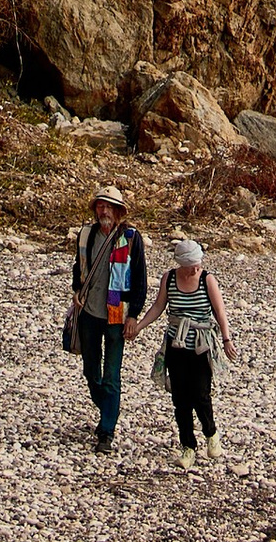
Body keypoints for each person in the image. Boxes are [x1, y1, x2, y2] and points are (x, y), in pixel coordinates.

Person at [135, 226, 233, 470]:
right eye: (192, 265)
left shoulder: (207, 279)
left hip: (200, 346)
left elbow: (220, 312)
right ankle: (187, 446)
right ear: (182, 264)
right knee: (180, 399)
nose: (196, 268)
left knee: (201, 394)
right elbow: (158, 307)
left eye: (198, 263)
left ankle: (211, 434)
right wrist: (139, 326)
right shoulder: (169, 278)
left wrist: (227, 339)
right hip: (175, 344)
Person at [67, 181, 147, 454]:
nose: (103, 211)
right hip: (89, 311)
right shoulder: (86, 234)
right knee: (91, 371)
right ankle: (109, 408)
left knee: (111, 375)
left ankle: (106, 430)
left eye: (108, 207)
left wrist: (133, 315)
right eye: (100, 206)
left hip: (116, 314)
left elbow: (140, 280)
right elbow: (79, 266)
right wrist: (77, 289)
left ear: (118, 211)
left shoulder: (131, 239)